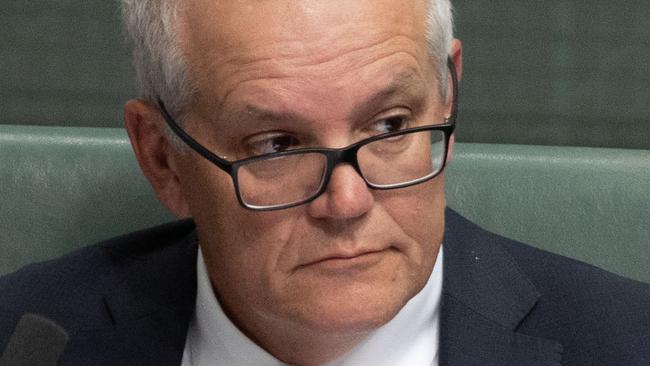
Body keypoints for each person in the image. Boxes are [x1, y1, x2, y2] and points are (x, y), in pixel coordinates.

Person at [1, 0, 649, 365]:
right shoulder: (24, 338)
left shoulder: (628, 342)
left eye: (391, 125)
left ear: (447, 96)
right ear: (163, 160)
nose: (347, 202)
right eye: (277, 145)